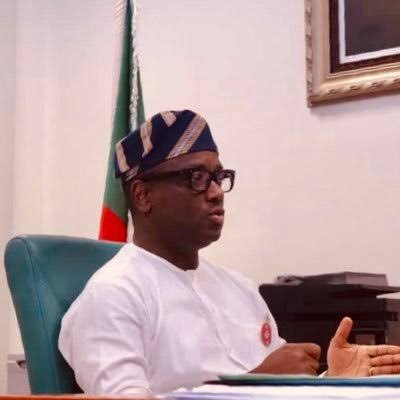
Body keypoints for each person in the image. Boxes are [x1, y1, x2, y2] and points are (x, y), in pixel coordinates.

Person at [59, 110, 400, 396]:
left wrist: (333, 380)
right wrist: (255, 381)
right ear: (142, 195)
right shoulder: (113, 296)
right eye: (196, 177)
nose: (216, 193)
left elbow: (282, 384)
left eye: (218, 177)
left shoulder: (239, 288)